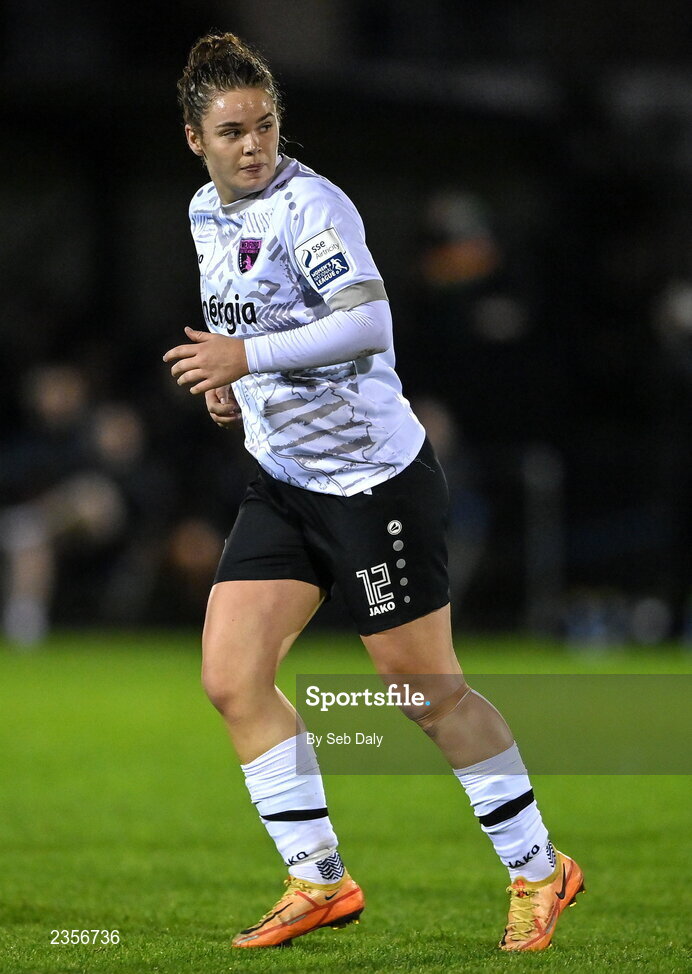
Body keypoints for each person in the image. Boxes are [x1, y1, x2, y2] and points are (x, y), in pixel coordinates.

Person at [164, 32, 584, 952]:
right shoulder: (206, 212)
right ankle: (319, 881)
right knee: (232, 679)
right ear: (196, 139)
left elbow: (365, 321)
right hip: (283, 483)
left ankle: (539, 865)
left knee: (422, 690)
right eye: (232, 131)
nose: (253, 145)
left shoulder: (312, 206)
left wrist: (246, 355)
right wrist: (238, 389)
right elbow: (256, 323)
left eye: (265, 125)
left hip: (372, 484)